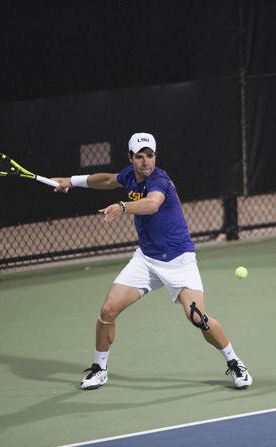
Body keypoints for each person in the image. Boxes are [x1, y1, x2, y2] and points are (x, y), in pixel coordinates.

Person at [52, 132, 252, 390]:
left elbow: (152, 204)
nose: (146, 161)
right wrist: (70, 181)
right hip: (147, 259)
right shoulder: (129, 175)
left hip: (179, 260)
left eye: (150, 155)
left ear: (156, 156)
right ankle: (100, 369)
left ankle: (235, 362)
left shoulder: (160, 180)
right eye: (140, 156)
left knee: (197, 317)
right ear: (131, 158)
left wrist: (123, 207)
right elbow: (107, 180)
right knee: (107, 311)